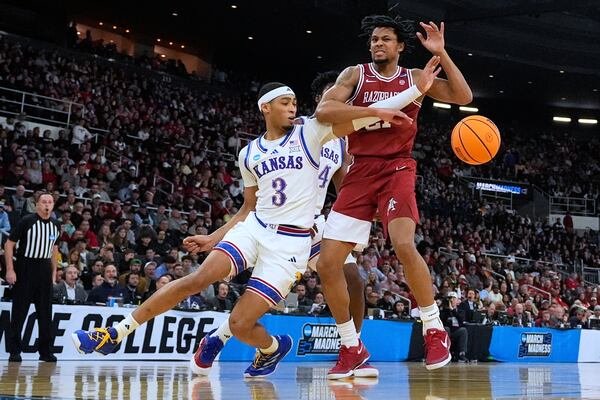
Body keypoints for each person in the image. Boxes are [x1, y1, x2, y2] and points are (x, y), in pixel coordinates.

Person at [72, 81, 409, 378]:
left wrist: (395, 107)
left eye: (295, 102)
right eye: (285, 102)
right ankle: (114, 333)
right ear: (266, 107)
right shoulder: (249, 153)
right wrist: (213, 237)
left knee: (242, 323)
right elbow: (247, 207)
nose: (293, 108)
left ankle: (276, 347)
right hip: (255, 227)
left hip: (294, 240)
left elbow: (354, 133)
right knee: (196, 279)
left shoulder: (312, 130)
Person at [190, 71, 379, 378]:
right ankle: (218, 338)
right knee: (267, 296)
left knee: (353, 279)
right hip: (279, 223)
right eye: (340, 94)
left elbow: (343, 183)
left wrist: (371, 202)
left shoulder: (340, 141)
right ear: (322, 99)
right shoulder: (304, 128)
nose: (347, 100)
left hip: (313, 223)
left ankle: (352, 348)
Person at [314, 14, 472, 376]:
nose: (378, 44)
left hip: (397, 167)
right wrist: (373, 111)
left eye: (386, 39)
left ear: (400, 46)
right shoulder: (355, 75)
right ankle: (351, 346)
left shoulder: (415, 78)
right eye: (374, 40)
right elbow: (324, 110)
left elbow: (463, 96)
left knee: (403, 243)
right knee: (326, 264)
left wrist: (442, 53)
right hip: (360, 171)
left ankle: (433, 328)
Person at [4, 192, 61, 362]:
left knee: (45, 312)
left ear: (53, 205)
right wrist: (10, 270)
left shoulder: (56, 225)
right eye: (44, 202)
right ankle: (14, 350)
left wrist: (53, 273)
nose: (47, 205)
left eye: (50, 202)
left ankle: (45, 351)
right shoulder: (26, 221)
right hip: (25, 267)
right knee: (19, 311)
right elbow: (9, 244)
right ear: (36, 204)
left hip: (44, 268)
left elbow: (54, 250)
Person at [439, 292, 468, 362]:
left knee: (463, 330)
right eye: (450, 299)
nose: (451, 300)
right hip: (447, 332)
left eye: (453, 298)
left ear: (457, 301)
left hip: (456, 332)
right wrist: (448, 309)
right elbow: (442, 321)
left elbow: (462, 322)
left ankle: (462, 354)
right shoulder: (444, 311)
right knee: (446, 329)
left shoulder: (461, 311)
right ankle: (446, 353)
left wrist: (453, 311)